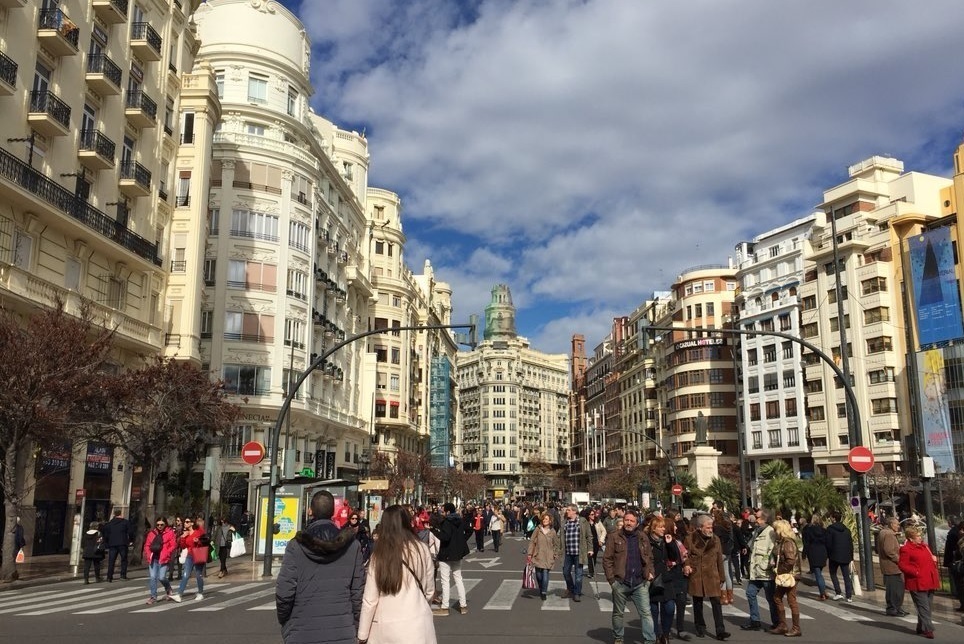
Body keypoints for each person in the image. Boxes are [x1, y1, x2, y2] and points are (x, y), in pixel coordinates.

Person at [275, 490, 366, 644]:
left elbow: (284, 592)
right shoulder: (352, 546)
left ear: (311, 511)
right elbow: (358, 594)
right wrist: (355, 626)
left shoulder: (296, 546)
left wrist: (287, 623)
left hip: (301, 631)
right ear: (333, 512)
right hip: (342, 629)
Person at [357, 505, 436, 644]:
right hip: (418, 623)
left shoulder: (380, 554)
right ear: (407, 522)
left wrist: (362, 634)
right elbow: (429, 590)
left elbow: (370, 599)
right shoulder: (422, 548)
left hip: (387, 625)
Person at [603, 509, 656, 644]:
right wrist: (612, 580)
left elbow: (650, 558)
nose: (628, 523)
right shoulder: (614, 537)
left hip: (640, 582)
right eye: (626, 520)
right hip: (620, 582)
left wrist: (650, 574)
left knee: (646, 613)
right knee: (618, 613)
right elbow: (607, 559)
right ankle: (618, 637)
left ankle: (649, 640)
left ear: (637, 523)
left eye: (632, 521)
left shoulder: (643, 537)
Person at [683, 514, 730, 641]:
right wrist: (687, 565)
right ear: (699, 527)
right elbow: (684, 555)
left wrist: (722, 576)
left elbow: (719, 558)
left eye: (711, 527)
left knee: (716, 602)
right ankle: (700, 627)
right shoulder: (690, 539)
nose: (710, 530)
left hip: (712, 575)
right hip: (697, 574)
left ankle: (720, 630)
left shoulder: (715, 539)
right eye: (708, 527)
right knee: (698, 602)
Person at [646, 515, 684, 644]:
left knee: (669, 607)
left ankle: (665, 634)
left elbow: (674, 557)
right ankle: (656, 635)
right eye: (660, 527)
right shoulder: (646, 541)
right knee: (654, 609)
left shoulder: (667, 541)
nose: (663, 529)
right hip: (652, 579)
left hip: (666, 579)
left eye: (664, 527)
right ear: (653, 528)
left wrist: (670, 544)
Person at [899, 525, 940, 639]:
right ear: (911, 538)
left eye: (920, 535)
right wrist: (915, 572)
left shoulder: (925, 547)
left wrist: (934, 561)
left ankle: (920, 626)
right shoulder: (906, 549)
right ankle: (928, 629)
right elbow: (902, 564)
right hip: (917, 582)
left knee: (927, 606)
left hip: (929, 580)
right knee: (923, 607)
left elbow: (929, 562)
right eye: (917, 536)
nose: (920, 538)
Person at [741, 509, 778, 631]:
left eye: (757, 517)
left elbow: (772, 551)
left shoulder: (770, 532)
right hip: (755, 572)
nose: (754, 519)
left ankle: (776, 623)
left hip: (766, 572)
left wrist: (765, 564)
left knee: (771, 599)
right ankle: (755, 621)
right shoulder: (757, 531)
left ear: (764, 519)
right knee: (750, 593)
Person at [430, 502, 470, 616]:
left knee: (445, 580)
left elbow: (445, 537)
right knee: (458, 578)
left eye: (443, 511)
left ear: (447, 512)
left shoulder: (446, 522)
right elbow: (469, 530)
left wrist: (433, 530)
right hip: (457, 553)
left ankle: (445, 607)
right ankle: (463, 605)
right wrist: (461, 541)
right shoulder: (459, 520)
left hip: (446, 553)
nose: (441, 513)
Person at [769, 519, 801, 637]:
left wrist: (780, 570)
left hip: (790, 575)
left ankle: (795, 628)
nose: (774, 532)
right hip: (787, 574)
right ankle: (783, 625)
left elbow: (791, 560)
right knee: (777, 597)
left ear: (780, 530)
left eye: (775, 529)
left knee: (791, 600)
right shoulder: (783, 542)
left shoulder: (787, 543)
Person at [560, 503, 594, 602]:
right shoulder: (565, 522)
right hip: (567, 552)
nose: (567, 511)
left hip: (579, 552)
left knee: (578, 576)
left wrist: (590, 549)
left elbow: (589, 536)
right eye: (567, 510)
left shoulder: (582, 522)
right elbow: (560, 537)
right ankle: (570, 588)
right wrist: (558, 549)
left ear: (575, 511)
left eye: (569, 510)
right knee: (566, 572)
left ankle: (577, 593)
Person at [171, 516, 209, 602]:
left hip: (198, 554)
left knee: (198, 574)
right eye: (185, 522)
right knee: (185, 575)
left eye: (187, 522)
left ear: (192, 523)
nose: (185, 523)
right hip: (189, 556)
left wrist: (198, 541)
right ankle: (179, 595)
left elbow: (205, 540)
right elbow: (183, 546)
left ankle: (200, 593)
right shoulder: (186, 533)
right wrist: (183, 538)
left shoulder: (198, 531)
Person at [526, 512, 561, 600]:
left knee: (545, 574)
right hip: (538, 555)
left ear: (550, 521)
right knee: (538, 575)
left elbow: (556, 544)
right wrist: (530, 553)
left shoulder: (553, 532)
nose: (545, 521)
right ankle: (541, 587)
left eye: (547, 519)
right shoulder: (538, 529)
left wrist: (556, 554)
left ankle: (543, 592)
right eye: (544, 519)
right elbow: (532, 541)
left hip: (548, 556)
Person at [142, 516, 176, 605]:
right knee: (153, 577)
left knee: (161, 577)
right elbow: (147, 545)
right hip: (153, 558)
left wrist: (167, 552)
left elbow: (173, 545)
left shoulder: (170, 532)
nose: (159, 526)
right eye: (158, 524)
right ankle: (153, 596)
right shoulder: (152, 533)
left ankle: (168, 588)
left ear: (165, 524)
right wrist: (148, 554)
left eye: (162, 524)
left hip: (163, 558)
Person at [877, 516, 907, 616]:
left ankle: (896, 608)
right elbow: (889, 551)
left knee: (895, 588)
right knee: (895, 589)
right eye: (897, 524)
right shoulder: (889, 534)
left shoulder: (884, 532)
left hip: (890, 566)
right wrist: (899, 560)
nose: (898, 526)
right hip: (892, 567)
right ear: (891, 524)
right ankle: (893, 608)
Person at [825, 510, 855, 602]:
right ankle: (849, 596)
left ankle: (838, 593)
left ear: (833, 518)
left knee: (833, 573)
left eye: (831, 517)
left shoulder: (830, 529)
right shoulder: (847, 530)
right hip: (845, 556)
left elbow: (828, 543)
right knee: (846, 576)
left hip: (834, 555)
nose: (830, 518)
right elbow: (850, 544)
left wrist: (828, 554)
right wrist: (851, 556)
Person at [801, 513, 829, 600]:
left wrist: (804, 554)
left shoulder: (809, 530)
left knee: (818, 574)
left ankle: (822, 594)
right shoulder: (824, 530)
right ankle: (823, 591)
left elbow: (806, 543)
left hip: (813, 552)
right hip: (823, 552)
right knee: (819, 573)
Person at [101, 508, 133, 582]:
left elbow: (105, 534)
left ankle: (109, 577)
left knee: (111, 560)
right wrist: (130, 540)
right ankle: (123, 575)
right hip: (123, 543)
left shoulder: (109, 524)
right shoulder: (125, 522)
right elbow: (130, 532)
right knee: (124, 560)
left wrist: (107, 542)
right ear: (121, 514)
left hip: (112, 544)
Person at [711, 509, 735, 605]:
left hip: (720, 552)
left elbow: (715, 540)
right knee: (727, 574)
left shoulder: (717, 527)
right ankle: (730, 596)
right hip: (728, 551)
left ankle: (723, 596)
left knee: (721, 575)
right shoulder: (728, 526)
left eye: (713, 516)